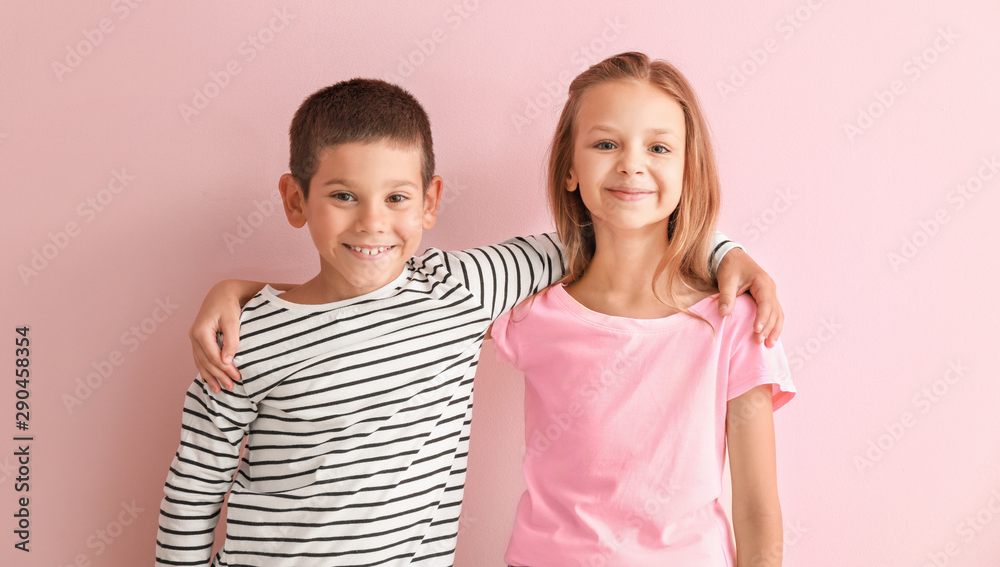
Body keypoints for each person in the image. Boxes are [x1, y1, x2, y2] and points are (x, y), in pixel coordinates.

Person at [163, 77, 782, 566]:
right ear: (297, 200)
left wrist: (724, 251)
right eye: (344, 195)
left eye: (397, 198)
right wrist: (240, 291)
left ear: (429, 202)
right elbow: (192, 491)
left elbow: (617, 231)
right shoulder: (247, 336)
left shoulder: (458, 292)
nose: (373, 222)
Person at [490, 52, 795, 567]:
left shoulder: (734, 322)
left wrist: (725, 252)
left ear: (687, 170)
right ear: (570, 168)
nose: (632, 164)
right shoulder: (524, 313)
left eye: (658, 147)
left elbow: (759, 518)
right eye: (606, 143)